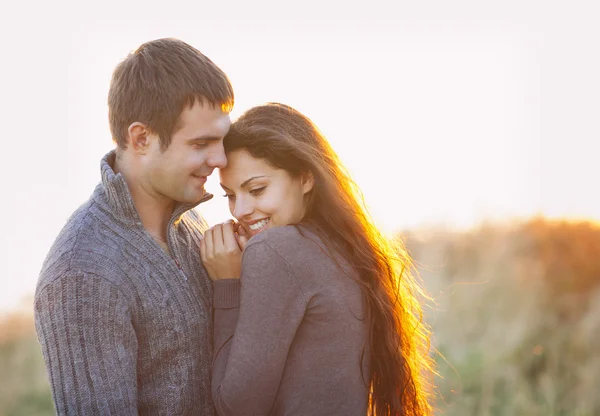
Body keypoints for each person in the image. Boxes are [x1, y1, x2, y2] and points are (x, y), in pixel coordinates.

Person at [34, 38, 233, 415]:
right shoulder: (83, 274)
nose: (220, 159)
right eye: (202, 143)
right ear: (141, 138)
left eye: (222, 140)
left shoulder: (191, 222)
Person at [200, 103, 435, 415]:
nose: (240, 210)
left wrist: (227, 285)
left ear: (306, 178)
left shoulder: (275, 250)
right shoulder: (343, 247)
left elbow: (236, 409)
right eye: (230, 195)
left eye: (257, 189)